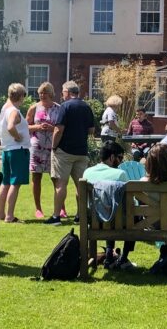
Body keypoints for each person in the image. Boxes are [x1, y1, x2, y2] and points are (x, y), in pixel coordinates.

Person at [46, 80, 95, 225]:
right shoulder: (86, 106)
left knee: (61, 184)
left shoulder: (65, 106)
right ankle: (80, 216)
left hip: (64, 151)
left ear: (67, 92)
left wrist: (54, 146)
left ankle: (56, 217)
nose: (61, 94)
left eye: (62, 91)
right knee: (81, 185)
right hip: (81, 151)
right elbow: (91, 130)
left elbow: (58, 129)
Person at [82, 141, 132, 270]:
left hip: (94, 221)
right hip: (118, 221)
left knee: (108, 210)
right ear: (112, 157)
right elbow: (131, 203)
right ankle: (124, 258)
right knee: (130, 215)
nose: (121, 162)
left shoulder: (87, 172)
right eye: (120, 158)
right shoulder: (120, 174)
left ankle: (109, 254)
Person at [26, 81, 62, 219]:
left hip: (53, 146)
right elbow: (26, 126)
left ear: (51, 94)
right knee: (36, 176)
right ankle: (38, 209)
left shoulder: (59, 108)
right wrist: (37, 127)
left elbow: (63, 127)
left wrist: (53, 128)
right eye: (40, 93)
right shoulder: (34, 108)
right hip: (37, 146)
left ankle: (61, 207)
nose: (42, 95)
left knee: (56, 177)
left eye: (45, 92)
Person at [0, 83, 31, 223]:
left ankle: (0, 214)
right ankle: (9, 216)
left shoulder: (5, 108)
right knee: (15, 184)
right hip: (17, 150)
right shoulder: (14, 111)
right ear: (21, 96)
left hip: (7, 150)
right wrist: (17, 137)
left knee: (5, 183)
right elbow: (10, 127)